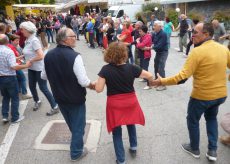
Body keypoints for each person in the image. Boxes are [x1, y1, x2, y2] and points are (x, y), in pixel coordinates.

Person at [150, 22, 230, 162]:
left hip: (202, 96)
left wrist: (161, 81)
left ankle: (194, 148)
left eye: (195, 32)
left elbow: (182, 78)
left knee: (192, 120)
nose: (192, 35)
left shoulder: (197, 52)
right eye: (192, 31)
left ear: (206, 34)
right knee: (211, 118)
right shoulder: (223, 49)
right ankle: (212, 150)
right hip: (220, 95)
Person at [41, 27, 95, 161]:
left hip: (59, 96)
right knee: (78, 126)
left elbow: (43, 76)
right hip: (75, 97)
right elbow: (83, 81)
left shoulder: (48, 55)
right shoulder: (75, 56)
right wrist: (92, 85)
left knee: (72, 123)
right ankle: (76, 152)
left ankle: (76, 142)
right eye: (73, 36)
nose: (75, 37)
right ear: (65, 40)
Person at [95, 42, 153, 164]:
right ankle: (133, 146)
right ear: (124, 54)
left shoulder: (105, 70)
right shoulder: (131, 67)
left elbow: (98, 89)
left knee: (117, 132)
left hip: (115, 103)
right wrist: (152, 83)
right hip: (130, 101)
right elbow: (149, 75)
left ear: (109, 54)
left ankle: (121, 160)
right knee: (130, 122)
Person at [20, 21, 59, 116]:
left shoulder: (34, 40)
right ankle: (37, 100)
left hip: (39, 68)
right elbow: (29, 52)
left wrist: (30, 60)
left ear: (28, 30)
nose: (21, 31)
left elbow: (41, 56)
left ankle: (55, 106)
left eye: (22, 29)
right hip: (31, 68)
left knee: (43, 87)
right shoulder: (27, 39)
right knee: (32, 86)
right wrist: (21, 57)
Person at [0, 34, 31, 123]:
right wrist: (26, 65)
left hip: (1, 78)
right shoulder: (8, 51)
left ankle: (5, 116)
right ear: (7, 41)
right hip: (10, 77)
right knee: (14, 98)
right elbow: (13, 66)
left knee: (5, 97)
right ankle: (15, 117)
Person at [7, 34, 32, 100]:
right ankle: (24, 94)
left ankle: (19, 92)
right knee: (23, 78)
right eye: (16, 41)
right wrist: (21, 57)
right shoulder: (11, 48)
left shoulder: (12, 47)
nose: (18, 42)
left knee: (19, 79)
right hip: (15, 66)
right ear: (11, 41)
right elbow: (13, 58)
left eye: (18, 40)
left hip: (15, 65)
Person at [152, 21, 169, 91]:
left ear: (160, 27)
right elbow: (153, 41)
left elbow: (159, 45)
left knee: (161, 68)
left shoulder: (163, 34)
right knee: (156, 66)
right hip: (158, 52)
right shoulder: (156, 33)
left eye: (155, 25)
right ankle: (157, 82)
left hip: (163, 52)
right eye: (154, 25)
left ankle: (163, 84)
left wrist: (151, 47)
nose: (154, 27)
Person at [136, 25, 152, 90]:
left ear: (144, 31)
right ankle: (145, 78)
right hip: (142, 54)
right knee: (142, 67)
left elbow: (140, 45)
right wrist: (139, 44)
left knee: (145, 69)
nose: (139, 33)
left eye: (140, 31)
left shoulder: (148, 37)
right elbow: (139, 46)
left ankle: (149, 84)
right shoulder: (142, 36)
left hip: (146, 55)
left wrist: (138, 42)